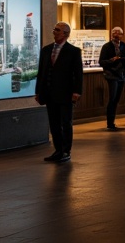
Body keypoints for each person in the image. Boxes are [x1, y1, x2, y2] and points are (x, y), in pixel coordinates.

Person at [36, 22, 83, 163]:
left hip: (66, 93)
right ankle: (58, 150)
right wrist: (39, 91)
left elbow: (78, 74)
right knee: (54, 123)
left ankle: (66, 151)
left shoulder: (73, 51)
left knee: (65, 123)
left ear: (66, 34)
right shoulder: (46, 50)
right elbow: (41, 73)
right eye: (54, 29)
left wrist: (77, 91)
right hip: (50, 94)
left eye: (58, 30)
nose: (54, 32)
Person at [98, 26, 125, 130]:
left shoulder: (124, 46)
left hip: (122, 75)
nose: (116, 36)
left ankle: (112, 122)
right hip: (112, 75)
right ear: (111, 35)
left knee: (116, 99)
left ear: (122, 35)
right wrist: (112, 61)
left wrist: (121, 59)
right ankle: (110, 123)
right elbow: (101, 61)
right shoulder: (106, 46)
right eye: (115, 34)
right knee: (112, 99)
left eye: (119, 34)